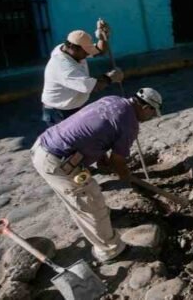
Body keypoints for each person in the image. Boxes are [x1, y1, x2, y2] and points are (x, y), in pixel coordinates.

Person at [30, 88, 162, 262]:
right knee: (90, 203)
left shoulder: (112, 99)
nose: (150, 118)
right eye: (152, 114)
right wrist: (127, 178)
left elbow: (96, 131)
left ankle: (104, 222)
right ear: (147, 108)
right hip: (57, 161)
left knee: (85, 201)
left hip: (44, 146)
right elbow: (118, 161)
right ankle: (111, 251)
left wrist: (102, 158)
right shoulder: (129, 124)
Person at [41, 21, 123, 127]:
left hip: (72, 107)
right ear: (71, 46)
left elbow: (99, 50)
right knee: (70, 142)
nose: (87, 54)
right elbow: (94, 86)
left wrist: (103, 38)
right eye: (84, 51)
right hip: (59, 112)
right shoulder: (63, 66)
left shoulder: (68, 49)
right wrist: (110, 77)